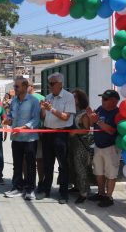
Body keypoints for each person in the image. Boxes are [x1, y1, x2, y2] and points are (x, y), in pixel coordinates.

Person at [36, 72, 76, 204]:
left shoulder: (69, 97)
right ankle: (46, 190)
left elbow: (66, 117)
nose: (50, 86)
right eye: (49, 84)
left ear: (60, 84)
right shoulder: (48, 97)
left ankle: (63, 193)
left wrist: (51, 109)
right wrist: (43, 109)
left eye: (52, 84)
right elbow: (43, 117)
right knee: (48, 163)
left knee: (63, 165)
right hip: (48, 132)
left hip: (61, 133)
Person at [3, 78, 40, 200]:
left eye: (17, 86)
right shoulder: (13, 101)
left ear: (25, 86)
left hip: (30, 139)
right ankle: (17, 188)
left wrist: (23, 127)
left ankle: (30, 190)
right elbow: (10, 116)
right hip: (16, 138)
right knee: (17, 165)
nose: (15, 88)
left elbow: (36, 120)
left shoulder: (34, 101)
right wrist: (8, 120)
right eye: (14, 86)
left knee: (30, 165)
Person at [87, 90, 120, 207]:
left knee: (111, 174)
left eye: (105, 99)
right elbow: (92, 124)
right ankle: (101, 194)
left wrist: (98, 121)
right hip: (98, 146)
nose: (102, 101)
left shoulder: (118, 113)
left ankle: (109, 197)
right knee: (99, 172)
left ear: (114, 101)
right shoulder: (100, 108)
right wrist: (91, 117)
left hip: (111, 148)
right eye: (102, 98)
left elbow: (112, 131)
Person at [68, 89, 92, 204]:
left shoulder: (83, 114)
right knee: (73, 167)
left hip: (81, 146)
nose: (72, 99)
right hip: (73, 144)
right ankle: (77, 187)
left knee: (81, 168)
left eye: (74, 97)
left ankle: (84, 193)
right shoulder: (73, 112)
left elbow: (86, 130)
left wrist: (76, 132)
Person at [28, 80, 45, 190]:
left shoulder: (41, 98)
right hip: (25, 134)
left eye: (26, 85)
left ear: (32, 86)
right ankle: (28, 181)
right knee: (26, 159)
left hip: (38, 133)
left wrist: (43, 108)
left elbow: (44, 116)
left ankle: (40, 182)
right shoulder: (21, 98)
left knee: (39, 158)